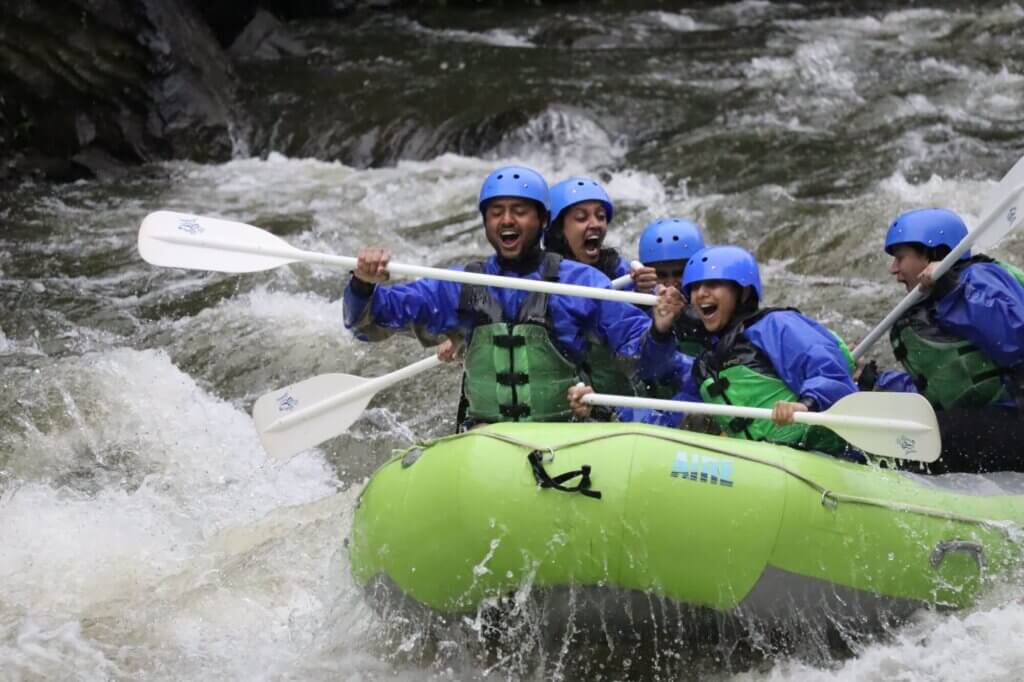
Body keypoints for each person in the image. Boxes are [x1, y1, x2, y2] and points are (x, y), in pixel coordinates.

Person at [344, 165, 669, 429]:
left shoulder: (580, 283)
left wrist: (662, 327)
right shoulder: (461, 284)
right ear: (486, 222)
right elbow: (367, 323)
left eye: (519, 211)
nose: (507, 220)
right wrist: (363, 284)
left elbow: (642, 354)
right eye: (497, 212)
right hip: (486, 441)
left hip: (564, 438)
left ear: (542, 221)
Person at [569, 245, 859, 454]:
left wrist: (806, 404)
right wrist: (603, 407)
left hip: (829, 457)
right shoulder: (707, 366)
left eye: (713, 285)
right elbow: (673, 418)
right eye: (695, 287)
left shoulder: (776, 326)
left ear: (743, 292)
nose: (701, 294)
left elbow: (827, 367)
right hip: (772, 467)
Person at [857, 207, 1024, 472]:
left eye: (900, 258)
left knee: (935, 437)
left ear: (934, 255)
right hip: (987, 419)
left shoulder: (979, 278)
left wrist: (951, 289)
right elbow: (937, 394)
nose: (893, 269)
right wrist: (875, 381)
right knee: (908, 430)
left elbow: (1015, 339)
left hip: (1016, 417)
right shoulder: (923, 310)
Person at [542, 176, 658, 397]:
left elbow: (638, 337)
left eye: (601, 216)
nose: (595, 224)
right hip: (559, 396)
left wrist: (643, 297)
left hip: (611, 396)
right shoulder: (537, 276)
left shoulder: (619, 270)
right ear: (557, 229)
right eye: (581, 217)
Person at [636, 218, 709, 400]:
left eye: (679, 273)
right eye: (661, 275)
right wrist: (659, 331)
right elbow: (645, 370)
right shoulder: (638, 307)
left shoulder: (714, 307)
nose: (670, 284)